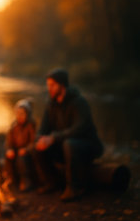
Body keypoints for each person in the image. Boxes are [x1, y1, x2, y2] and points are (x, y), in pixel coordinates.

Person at [34, 68, 103, 202]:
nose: (49, 88)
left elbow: (79, 129)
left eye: (52, 85)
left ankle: (75, 188)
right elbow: (43, 129)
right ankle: (52, 182)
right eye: (48, 85)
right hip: (64, 145)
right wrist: (41, 138)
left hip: (87, 145)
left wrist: (53, 137)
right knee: (37, 146)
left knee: (69, 144)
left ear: (62, 85)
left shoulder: (79, 102)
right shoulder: (51, 104)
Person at [4, 99, 36, 192]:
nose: (19, 116)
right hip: (16, 150)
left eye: (22, 114)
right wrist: (9, 149)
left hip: (27, 153)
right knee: (9, 157)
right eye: (17, 113)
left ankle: (25, 181)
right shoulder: (14, 126)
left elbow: (33, 142)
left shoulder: (31, 126)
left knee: (21, 159)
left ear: (27, 114)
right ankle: (11, 179)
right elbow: (8, 141)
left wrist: (26, 149)